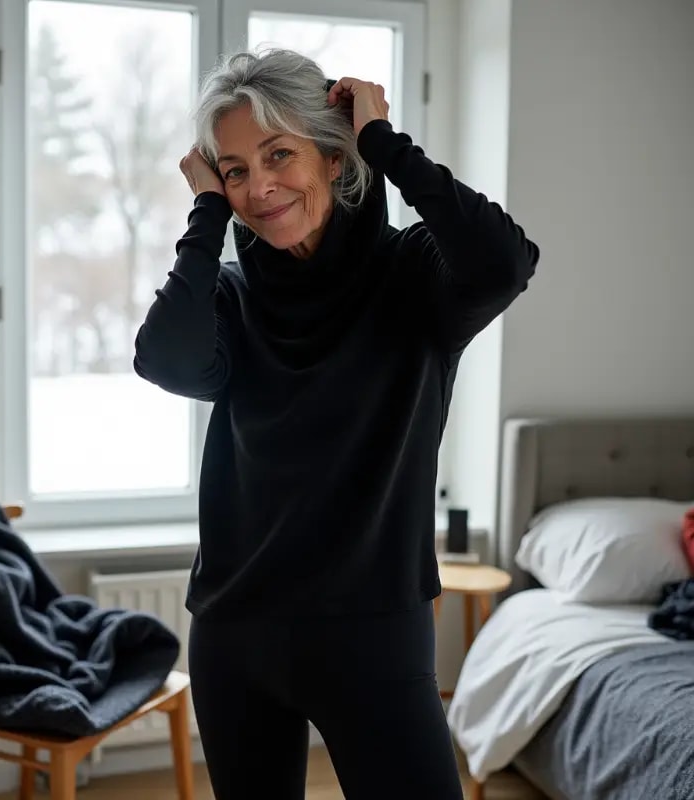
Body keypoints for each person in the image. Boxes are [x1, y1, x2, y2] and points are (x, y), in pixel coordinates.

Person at [134, 48, 539, 800]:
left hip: (373, 634)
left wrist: (383, 141)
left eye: (279, 154)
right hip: (237, 633)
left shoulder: (417, 276)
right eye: (234, 170)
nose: (260, 187)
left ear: (330, 156)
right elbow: (164, 361)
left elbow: (504, 263)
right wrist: (207, 212)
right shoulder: (227, 297)